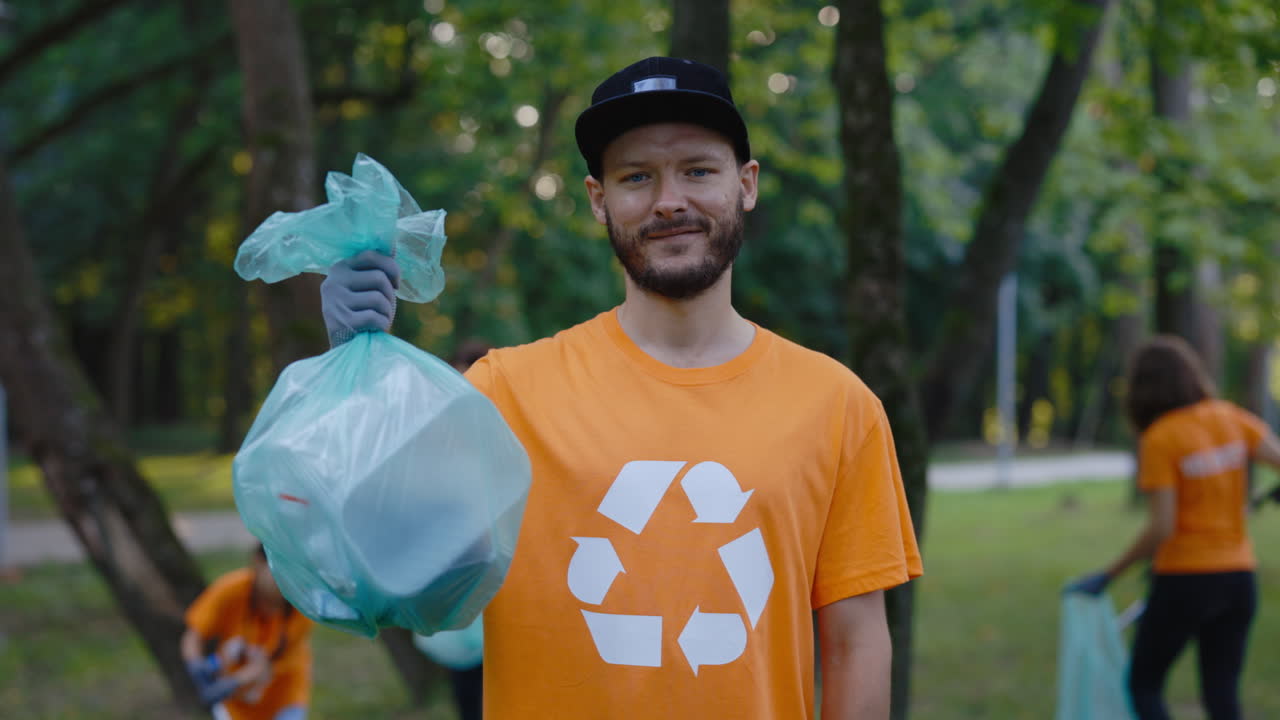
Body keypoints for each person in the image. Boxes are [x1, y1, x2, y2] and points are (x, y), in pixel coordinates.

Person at [319, 56, 921, 718]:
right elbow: (379, 567)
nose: (669, 201)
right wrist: (355, 375)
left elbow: (857, 642)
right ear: (598, 199)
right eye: (637, 177)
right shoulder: (502, 395)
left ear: (746, 184)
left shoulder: (838, 406)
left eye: (698, 170)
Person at [1066, 335, 1280, 720]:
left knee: (1143, 685)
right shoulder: (1230, 417)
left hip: (1185, 578)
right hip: (1238, 578)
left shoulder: (1161, 438)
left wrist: (1108, 574)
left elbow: (1162, 526)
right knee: (1222, 692)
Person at [181, 545, 314, 720]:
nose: (287, 584)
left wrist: (230, 683)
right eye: (280, 574)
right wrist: (195, 664)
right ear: (258, 562)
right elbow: (194, 636)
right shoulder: (230, 590)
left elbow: (264, 666)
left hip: (283, 699)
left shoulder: (302, 605)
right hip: (235, 707)